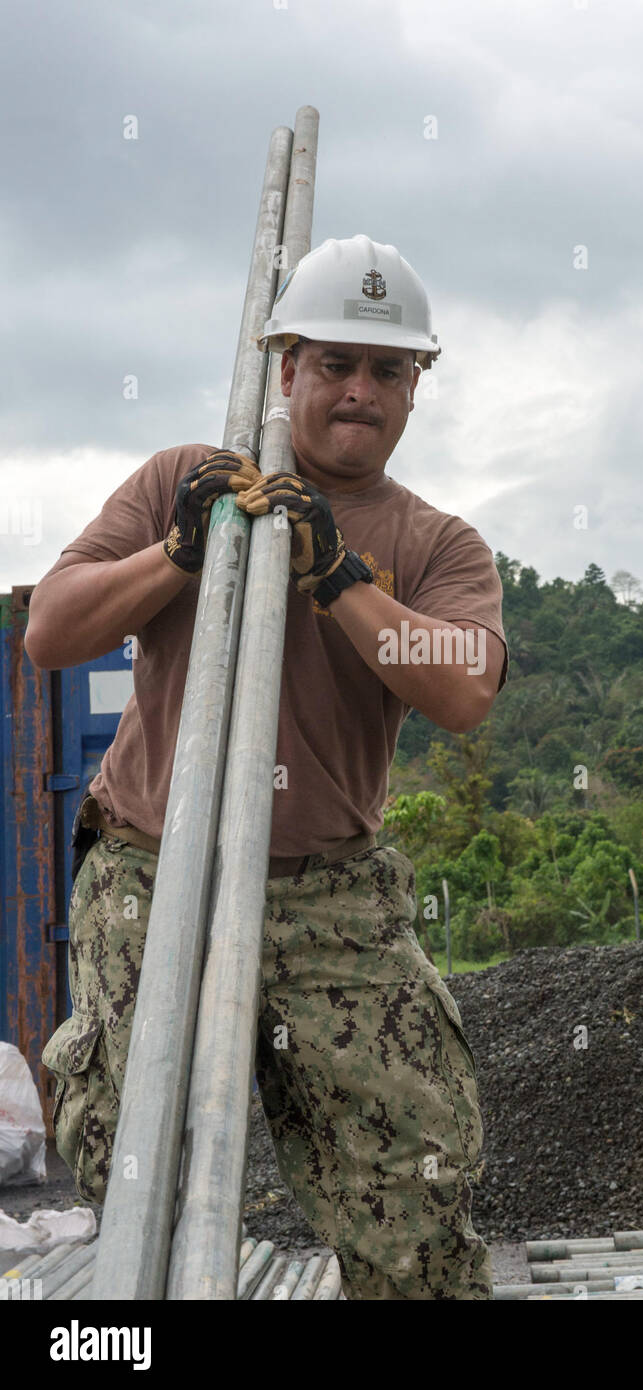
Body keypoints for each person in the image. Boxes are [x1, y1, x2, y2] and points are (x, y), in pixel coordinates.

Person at [26, 234, 508, 1300]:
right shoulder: (181, 485)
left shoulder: (437, 545)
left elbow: (464, 689)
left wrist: (336, 572)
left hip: (329, 895)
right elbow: (50, 633)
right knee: (134, 1147)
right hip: (159, 872)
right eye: (334, 362)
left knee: (411, 1167)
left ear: (416, 389)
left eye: (389, 370)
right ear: (284, 366)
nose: (359, 390)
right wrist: (180, 551)